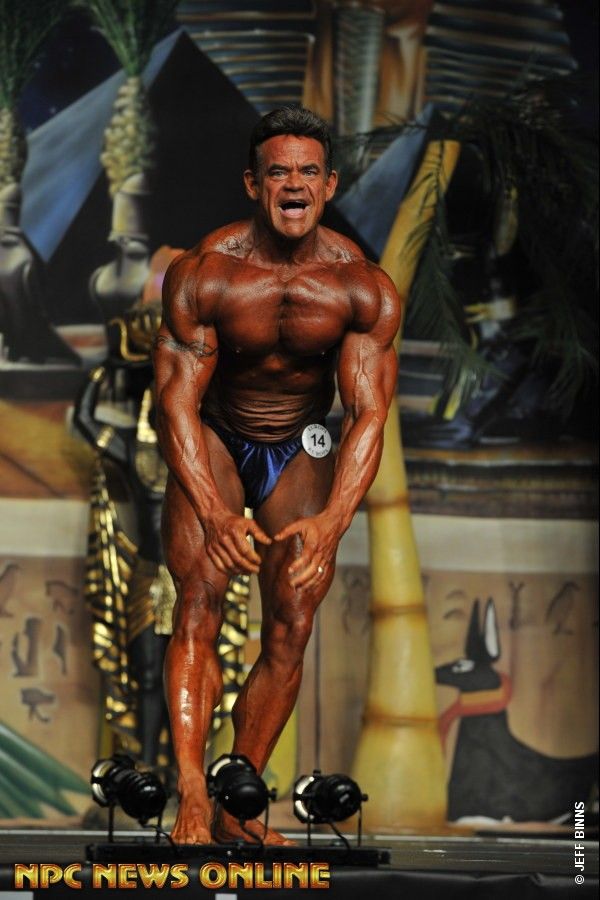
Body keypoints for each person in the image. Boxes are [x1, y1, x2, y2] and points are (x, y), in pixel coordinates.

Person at [152, 106, 402, 845]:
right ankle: (191, 793)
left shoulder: (362, 287)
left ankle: (236, 802)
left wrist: (332, 522)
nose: (293, 184)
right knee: (198, 603)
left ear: (329, 184)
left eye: (307, 171)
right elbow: (175, 404)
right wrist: (212, 510)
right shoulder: (205, 274)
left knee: (292, 623)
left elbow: (368, 415)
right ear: (253, 183)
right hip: (217, 437)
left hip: (302, 443)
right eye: (278, 171)